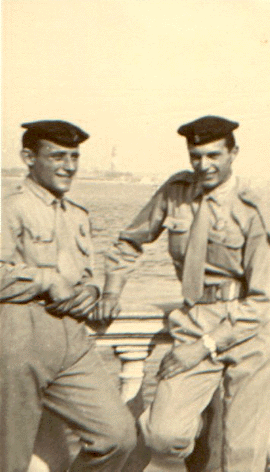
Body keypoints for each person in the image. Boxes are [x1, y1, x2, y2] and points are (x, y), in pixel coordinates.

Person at [102, 115, 270, 471]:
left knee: (241, 453)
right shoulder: (176, 193)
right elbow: (131, 240)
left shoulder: (254, 211)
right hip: (195, 320)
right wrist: (111, 289)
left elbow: (262, 302)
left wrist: (207, 346)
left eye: (214, 155)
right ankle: (199, 425)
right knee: (162, 434)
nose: (204, 165)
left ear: (234, 154)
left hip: (247, 332)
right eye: (196, 156)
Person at [0, 120, 137, 472]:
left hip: (72, 343)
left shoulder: (77, 216)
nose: (70, 166)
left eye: (74, 156)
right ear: (28, 158)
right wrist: (46, 279)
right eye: (58, 156)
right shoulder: (9, 209)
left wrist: (92, 290)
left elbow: (85, 273)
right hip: (19, 339)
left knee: (117, 436)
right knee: (10, 457)